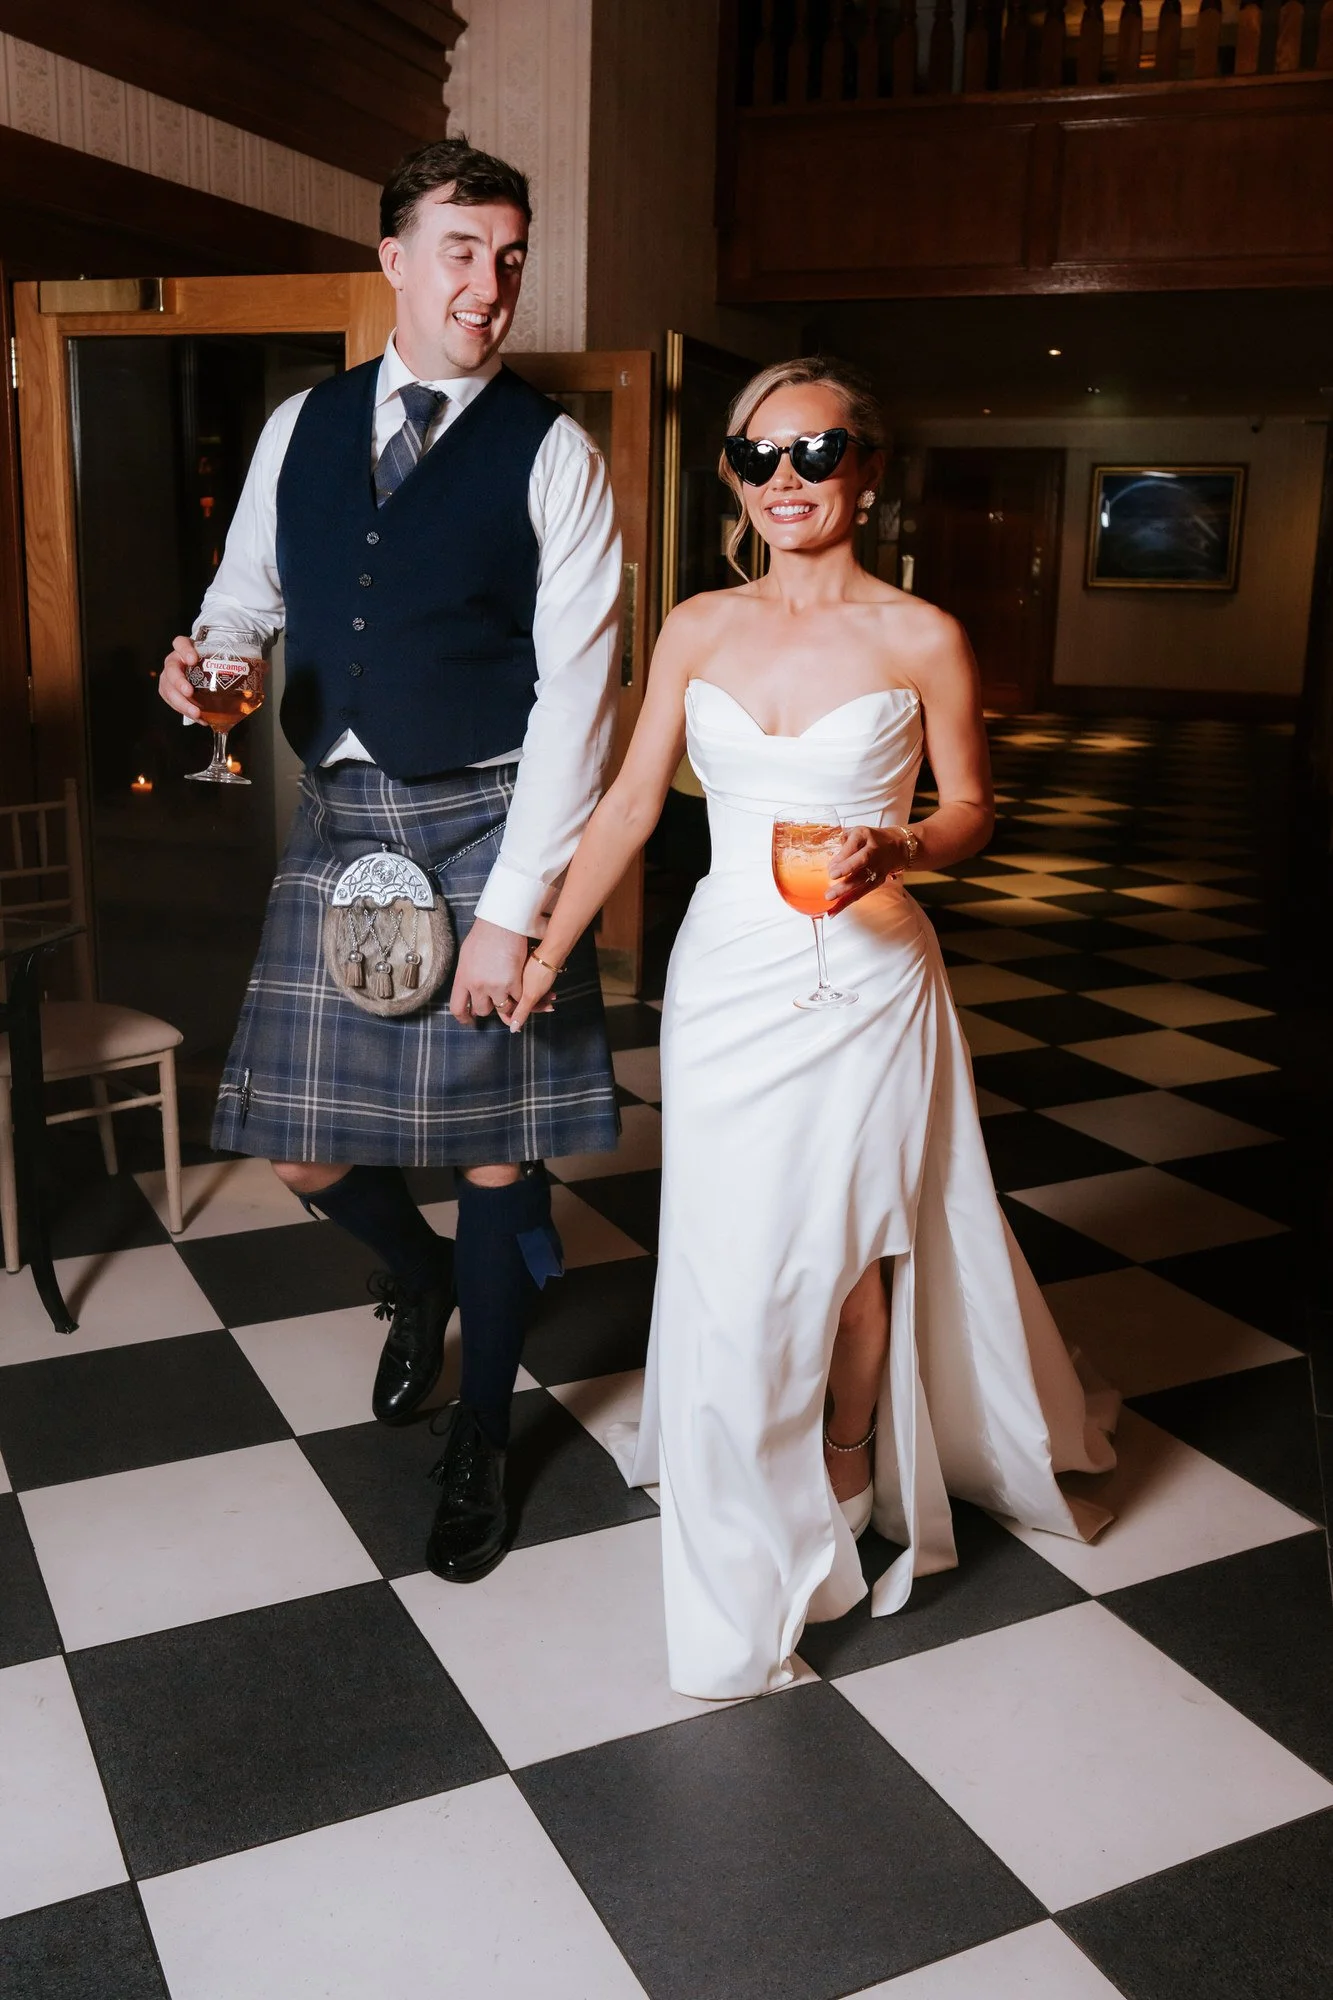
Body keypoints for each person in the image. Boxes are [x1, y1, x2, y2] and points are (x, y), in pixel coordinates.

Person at [509, 356, 1118, 1700]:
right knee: (734, 1253)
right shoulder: (697, 627)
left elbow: (973, 809)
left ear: (867, 469)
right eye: (758, 456)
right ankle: (744, 1508)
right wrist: (548, 951)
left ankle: (845, 1464)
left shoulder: (922, 635)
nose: (787, 480)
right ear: (730, 475)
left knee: (849, 1255)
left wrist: (895, 844)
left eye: (817, 452)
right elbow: (624, 808)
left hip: (869, 976)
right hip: (727, 971)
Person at [158, 137, 622, 1585]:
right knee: (301, 1143)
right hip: (343, 817)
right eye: (463, 251)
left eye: (510, 256)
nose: (491, 285)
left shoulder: (556, 452)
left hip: (489, 818)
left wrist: (513, 909)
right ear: (396, 261)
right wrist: (208, 666)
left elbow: (581, 699)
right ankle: (415, 1278)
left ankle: (483, 1430)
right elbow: (246, 600)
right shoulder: (302, 423)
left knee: (493, 1158)